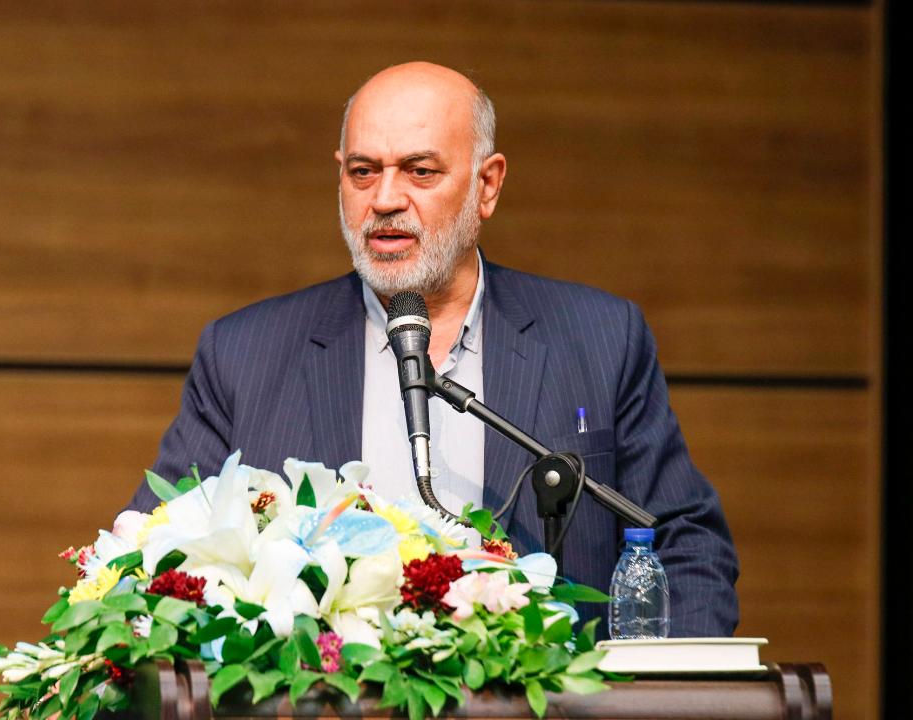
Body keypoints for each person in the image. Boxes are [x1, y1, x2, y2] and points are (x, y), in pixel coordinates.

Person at [124, 62, 738, 638]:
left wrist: (650, 690)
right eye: (363, 172)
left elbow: (686, 545)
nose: (385, 199)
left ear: (486, 185)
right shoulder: (244, 354)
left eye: (419, 171)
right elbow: (151, 560)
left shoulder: (600, 338)